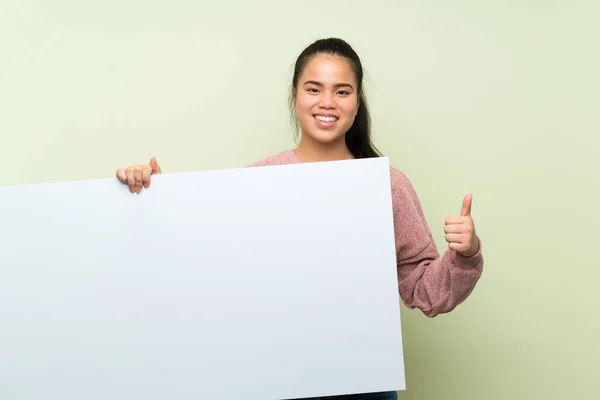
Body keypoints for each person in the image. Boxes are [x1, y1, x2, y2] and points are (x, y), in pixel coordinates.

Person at [116, 37, 484, 400]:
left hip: (364, 383)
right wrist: (153, 196)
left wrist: (466, 254)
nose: (327, 102)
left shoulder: (386, 184)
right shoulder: (256, 180)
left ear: (358, 102)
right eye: (314, 89)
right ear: (294, 96)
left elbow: (425, 291)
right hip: (275, 380)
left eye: (342, 91)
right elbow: (205, 268)